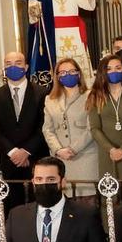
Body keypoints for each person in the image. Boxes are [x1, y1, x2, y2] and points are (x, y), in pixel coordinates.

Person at [0, 51, 49, 188]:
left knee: (40, 203)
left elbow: (44, 125)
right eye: (8, 64)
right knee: (14, 206)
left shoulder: (42, 92)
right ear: (4, 68)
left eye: (18, 63)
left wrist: (26, 151)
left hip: (36, 158)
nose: (13, 67)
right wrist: (13, 152)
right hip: (10, 161)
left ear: (26, 67)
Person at [42, 58, 99, 195]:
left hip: (85, 157)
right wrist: (58, 149)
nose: (68, 75)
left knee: (87, 202)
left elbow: (92, 128)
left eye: (72, 71)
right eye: (63, 72)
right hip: (61, 159)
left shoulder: (90, 95)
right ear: (57, 76)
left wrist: (73, 149)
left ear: (79, 74)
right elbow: (47, 129)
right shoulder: (50, 99)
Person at [87, 54, 122, 184]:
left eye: (118, 68)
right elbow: (95, 128)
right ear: (103, 72)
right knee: (111, 192)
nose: (114, 71)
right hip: (108, 153)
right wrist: (111, 149)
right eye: (109, 69)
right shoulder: (95, 96)